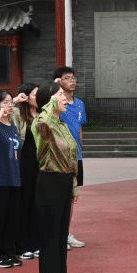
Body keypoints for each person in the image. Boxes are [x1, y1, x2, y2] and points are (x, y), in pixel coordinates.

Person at [33, 82, 81, 273]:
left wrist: (73, 186)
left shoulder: (61, 124)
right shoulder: (43, 123)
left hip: (63, 182)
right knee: (50, 240)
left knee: (61, 240)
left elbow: (71, 157)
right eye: (60, 94)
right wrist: (50, 106)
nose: (65, 98)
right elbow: (44, 127)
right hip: (49, 183)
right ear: (50, 100)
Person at [0, 89, 26, 268]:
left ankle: (9, 251)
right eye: (4, 102)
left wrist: (12, 103)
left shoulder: (13, 127)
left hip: (14, 178)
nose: (9, 105)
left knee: (11, 217)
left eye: (10, 102)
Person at [53, 65, 87, 249]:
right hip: (59, 157)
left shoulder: (80, 104)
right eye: (67, 78)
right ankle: (57, 234)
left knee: (71, 196)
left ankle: (65, 233)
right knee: (59, 196)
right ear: (58, 81)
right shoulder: (56, 103)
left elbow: (79, 127)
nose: (72, 81)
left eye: (73, 78)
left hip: (76, 157)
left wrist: (80, 150)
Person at [11, 83, 42, 260]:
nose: (37, 98)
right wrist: (15, 101)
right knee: (24, 202)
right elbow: (3, 112)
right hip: (23, 163)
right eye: (34, 94)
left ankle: (35, 242)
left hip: (40, 164)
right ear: (26, 96)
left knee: (37, 203)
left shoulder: (43, 114)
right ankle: (21, 245)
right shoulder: (18, 113)